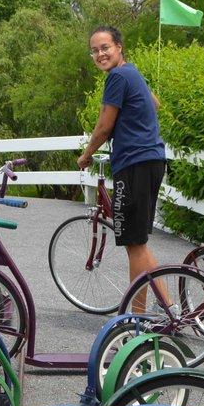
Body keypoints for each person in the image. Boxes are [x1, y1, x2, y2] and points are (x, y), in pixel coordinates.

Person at [77, 24, 165, 290]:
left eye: (105, 48)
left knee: (134, 246)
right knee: (138, 244)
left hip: (134, 163)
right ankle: (168, 306)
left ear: (118, 47)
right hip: (152, 160)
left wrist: (86, 155)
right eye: (94, 51)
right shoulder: (131, 72)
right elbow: (155, 104)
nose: (100, 54)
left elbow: (104, 126)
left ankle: (135, 318)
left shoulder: (116, 78)